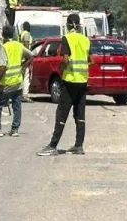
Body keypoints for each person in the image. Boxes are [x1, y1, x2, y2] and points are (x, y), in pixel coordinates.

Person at [39, 13, 90, 156]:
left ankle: (53, 145)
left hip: (69, 81)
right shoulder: (85, 40)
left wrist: (61, 67)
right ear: (79, 25)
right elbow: (90, 59)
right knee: (80, 114)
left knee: (62, 113)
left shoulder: (67, 38)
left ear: (67, 25)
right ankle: (78, 146)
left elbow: (66, 58)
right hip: (82, 81)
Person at [0, 24, 33, 138]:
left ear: (3, 35)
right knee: (17, 106)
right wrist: (23, 66)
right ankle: (15, 129)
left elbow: (3, 66)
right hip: (18, 81)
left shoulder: (4, 47)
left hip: (7, 82)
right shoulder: (19, 46)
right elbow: (31, 55)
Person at [20, 22, 34, 102]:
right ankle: (25, 95)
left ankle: (21, 94)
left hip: (21, 58)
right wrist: (28, 60)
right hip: (25, 59)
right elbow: (26, 45)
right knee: (26, 77)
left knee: (22, 77)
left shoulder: (21, 34)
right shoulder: (27, 34)